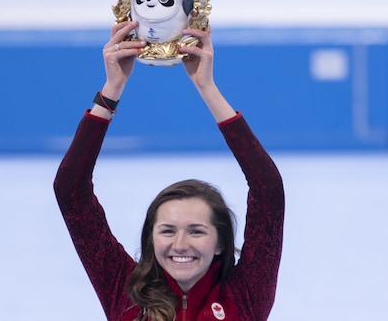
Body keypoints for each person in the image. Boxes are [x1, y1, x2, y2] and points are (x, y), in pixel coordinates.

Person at [53, 20, 285, 320]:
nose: (180, 244)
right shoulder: (124, 292)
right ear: (151, 238)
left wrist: (207, 87)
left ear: (220, 243)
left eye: (197, 231)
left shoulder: (245, 295)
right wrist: (111, 91)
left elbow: (268, 190)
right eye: (167, 230)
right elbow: (70, 191)